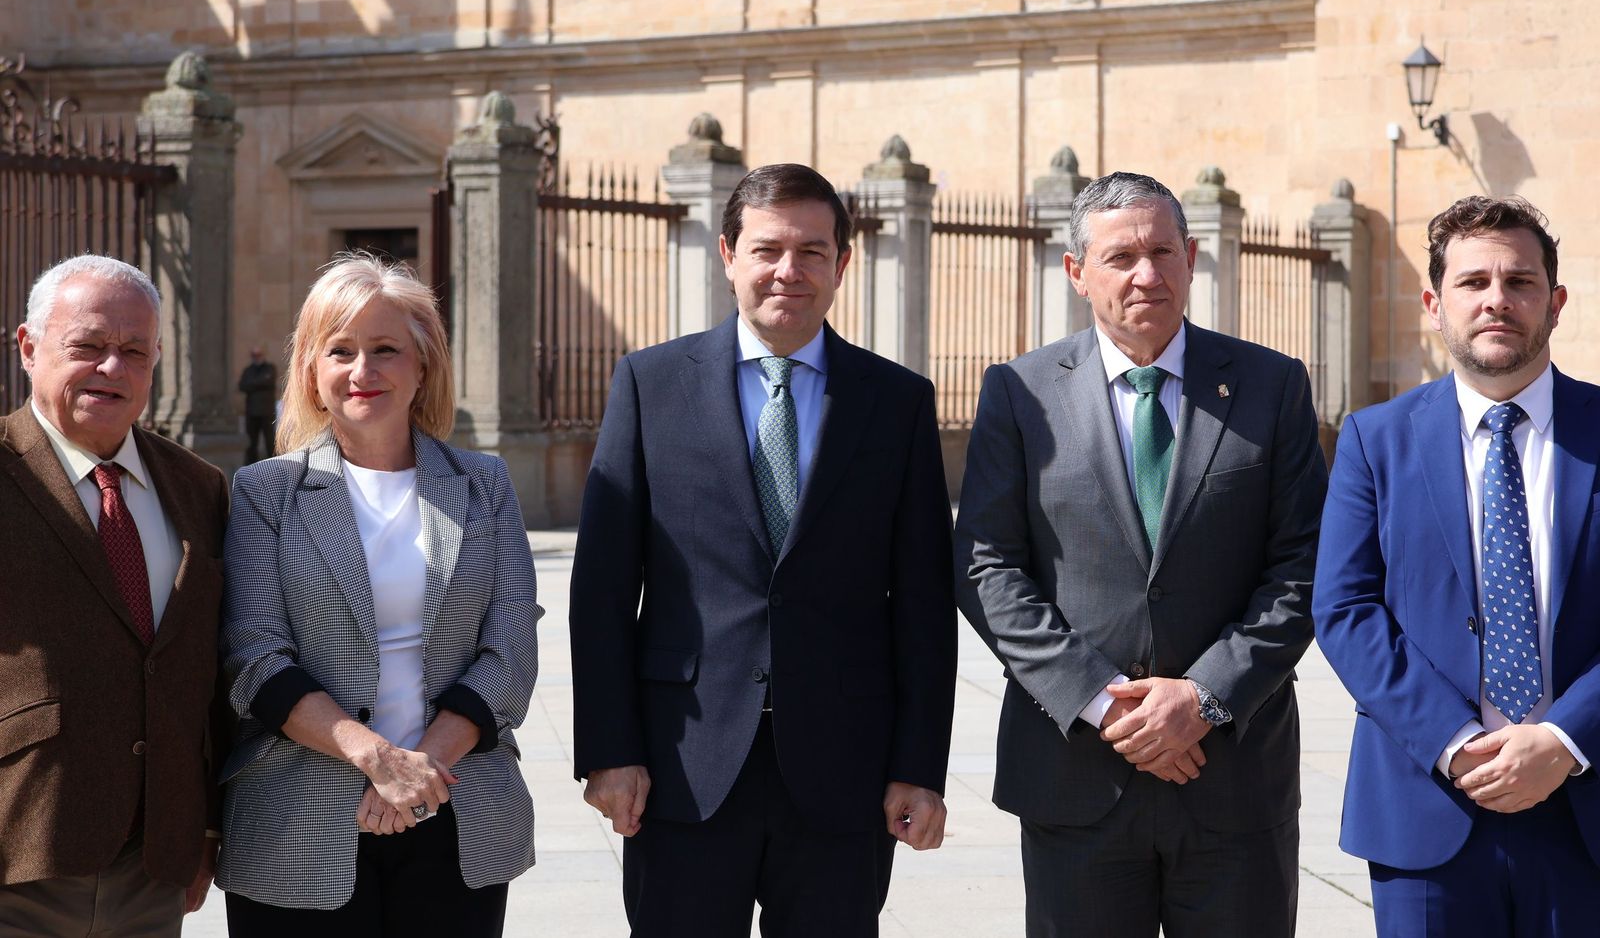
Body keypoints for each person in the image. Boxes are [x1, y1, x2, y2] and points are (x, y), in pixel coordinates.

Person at [569, 162, 957, 937]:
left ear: (842, 264)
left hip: (843, 772)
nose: (790, 270)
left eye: (813, 251)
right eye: (768, 249)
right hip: (681, 767)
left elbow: (923, 602)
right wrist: (609, 750)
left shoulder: (897, 401)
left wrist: (919, 767)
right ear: (728, 255)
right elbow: (603, 587)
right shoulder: (649, 384)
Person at [953, 171, 1326, 937]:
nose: (1146, 274)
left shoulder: (1271, 386)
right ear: (1077, 272)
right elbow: (986, 565)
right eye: (1121, 257)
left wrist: (1203, 698)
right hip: (1075, 776)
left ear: (1192, 257)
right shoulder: (1019, 394)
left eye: (1163, 251)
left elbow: (1306, 564)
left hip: (1234, 780)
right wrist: (1101, 700)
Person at [217, 252, 541, 936]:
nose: (362, 371)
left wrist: (419, 773)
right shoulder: (265, 493)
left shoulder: (486, 485)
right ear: (311, 368)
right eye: (341, 351)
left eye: (385, 349)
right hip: (297, 822)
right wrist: (377, 758)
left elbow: (509, 646)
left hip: (457, 814)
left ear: (422, 365)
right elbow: (254, 659)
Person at [1314, 196, 1600, 936]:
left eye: (1520, 282)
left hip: (1585, 808)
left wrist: (1565, 739)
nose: (1497, 301)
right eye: (1474, 283)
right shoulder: (1375, 440)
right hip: (1426, 809)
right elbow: (1345, 613)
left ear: (1556, 302)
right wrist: (1455, 743)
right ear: (1434, 304)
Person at [0, 254, 230, 935]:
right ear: (29, 346)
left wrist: (207, 828)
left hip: (152, 865)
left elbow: (210, 668)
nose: (112, 368)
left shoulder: (199, 488)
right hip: (16, 850)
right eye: (89, 347)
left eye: (134, 351)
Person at [238, 345, 278, 465]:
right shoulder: (248, 370)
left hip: (267, 411)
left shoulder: (270, 368)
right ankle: (251, 466)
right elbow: (242, 386)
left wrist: (253, 384)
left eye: (259, 355)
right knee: (251, 442)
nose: (257, 358)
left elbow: (269, 381)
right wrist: (260, 382)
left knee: (270, 441)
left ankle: (274, 465)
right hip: (252, 412)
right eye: (254, 355)